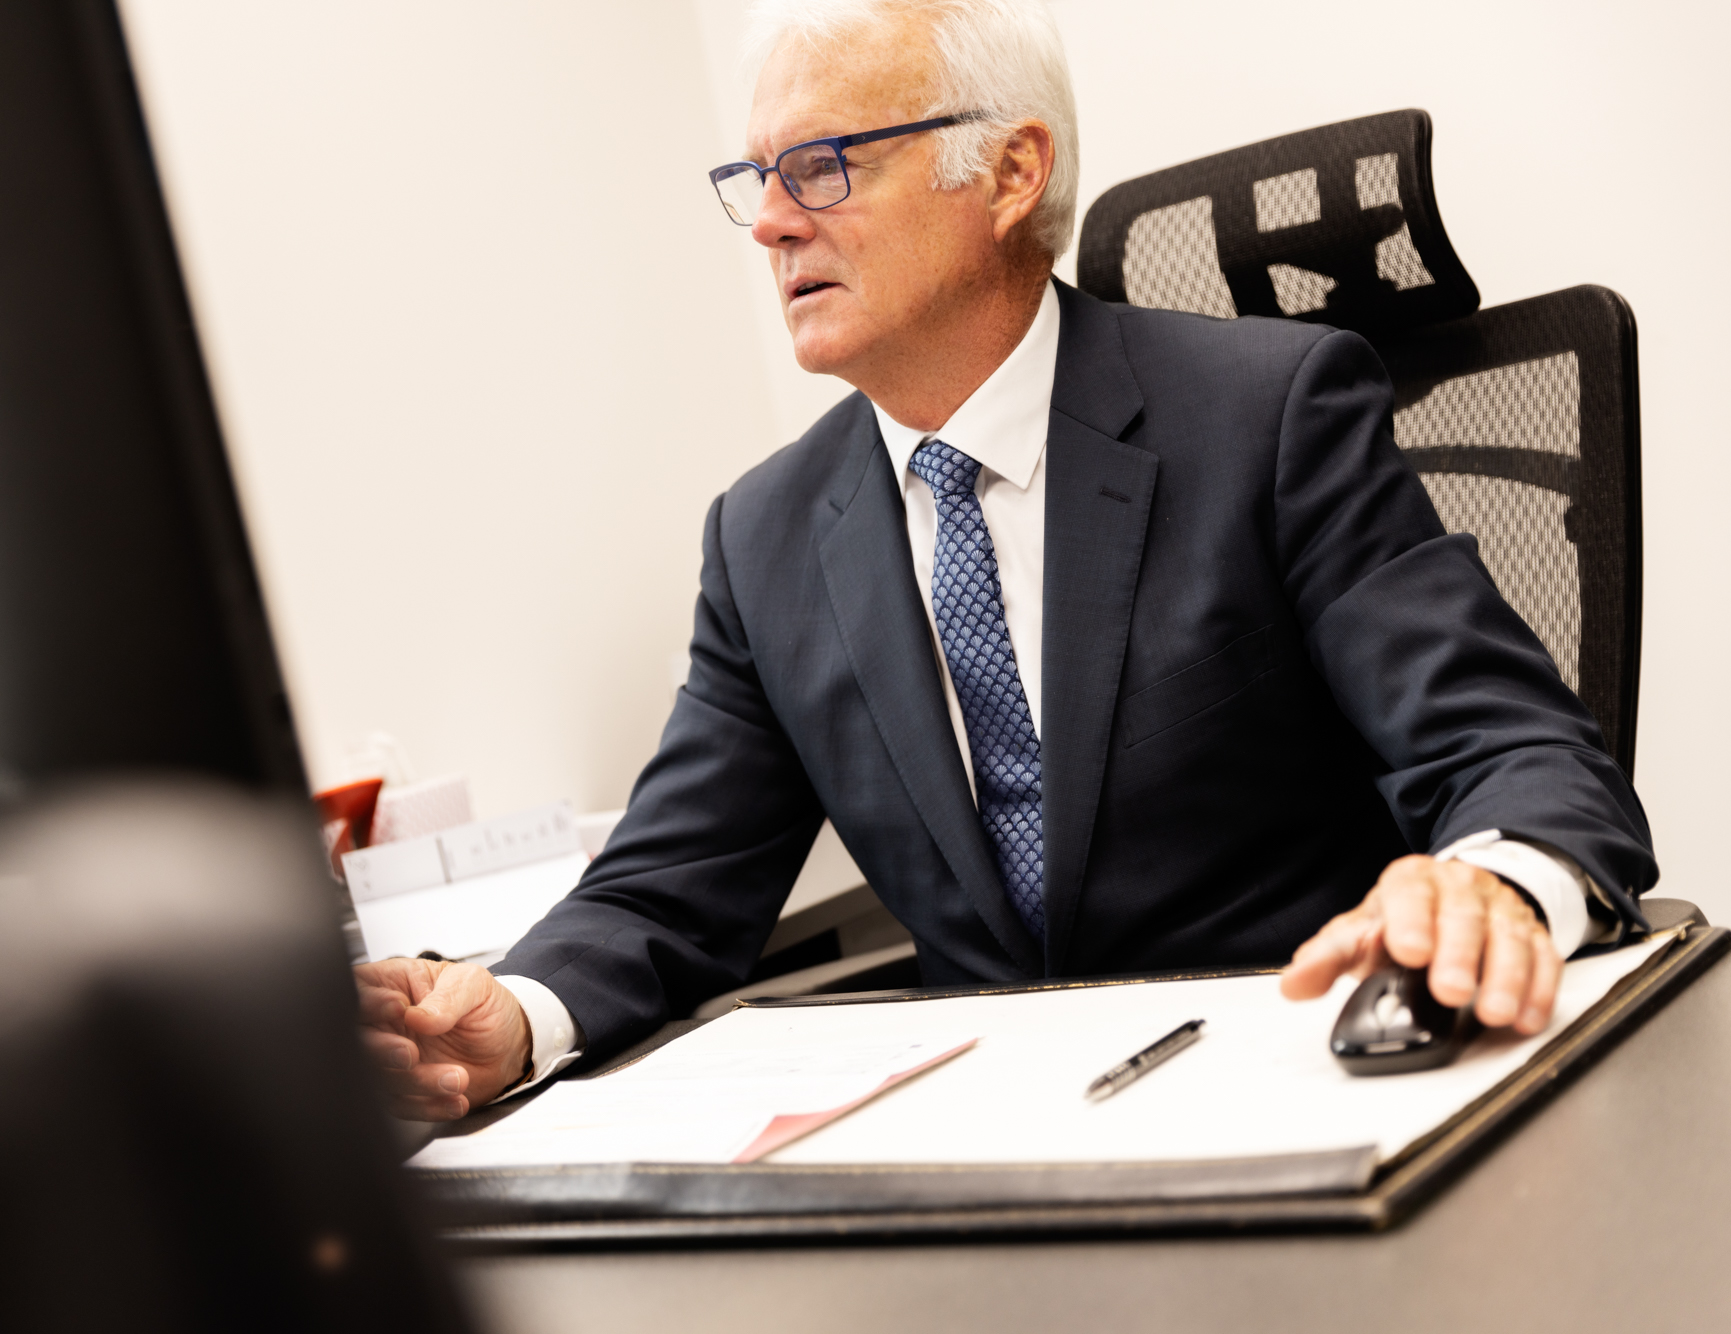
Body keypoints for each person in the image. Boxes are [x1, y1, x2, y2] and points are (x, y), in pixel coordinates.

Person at [357, 0, 1656, 1121]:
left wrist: (1491, 888)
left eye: (817, 166)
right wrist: (513, 1015)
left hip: (1306, 1080)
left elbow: (1516, 751)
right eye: (753, 178)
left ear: (1010, 171)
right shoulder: (765, 535)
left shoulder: (1269, 415)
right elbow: (670, 884)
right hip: (1011, 1136)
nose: (767, 225)